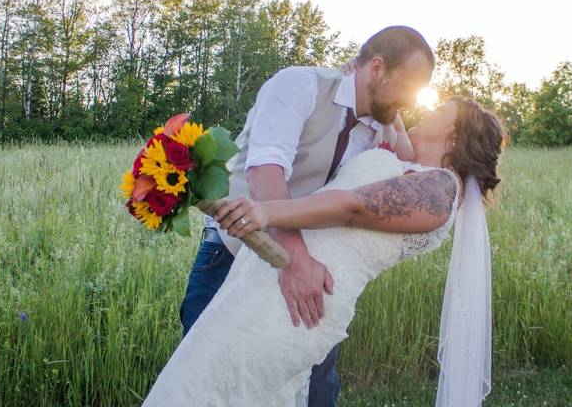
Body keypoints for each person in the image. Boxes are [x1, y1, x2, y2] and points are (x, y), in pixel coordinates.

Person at [146, 97, 505, 407]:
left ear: (455, 135)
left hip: (293, 305)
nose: (427, 111)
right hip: (269, 286)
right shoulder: (414, 167)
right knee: (200, 380)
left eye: (440, 111)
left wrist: (266, 211)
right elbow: (392, 115)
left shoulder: (441, 188)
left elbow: (354, 206)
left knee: (208, 384)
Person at [178, 25, 434, 407]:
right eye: (409, 87)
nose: (412, 101)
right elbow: (265, 172)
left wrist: (393, 114)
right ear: (377, 68)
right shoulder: (298, 85)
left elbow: (415, 162)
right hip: (232, 256)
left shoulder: (379, 124)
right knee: (207, 384)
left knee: (315, 392)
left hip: (309, 272)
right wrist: (292, 261)